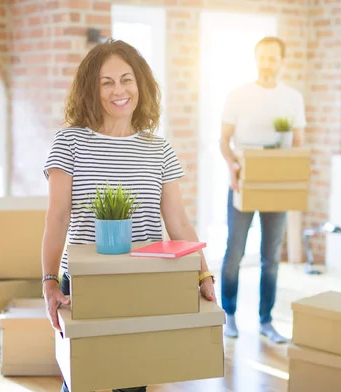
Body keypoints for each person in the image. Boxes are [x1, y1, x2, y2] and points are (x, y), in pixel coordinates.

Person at [41, 38, 217, 392]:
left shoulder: (159, 149)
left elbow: (179, 222)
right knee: (83, 380)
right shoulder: (70, 142)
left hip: (144, 283)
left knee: (133, 383)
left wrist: (203, 273)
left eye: (126, 79)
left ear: (141, 84)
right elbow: (57, 217)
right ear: (92, 89)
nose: (118, 90)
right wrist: (48, 282)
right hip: (86, 286)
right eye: (106, 82)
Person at [218, 36, 307, 344]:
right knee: (235, 252)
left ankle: (266, 320)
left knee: (271, 256)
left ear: (282, 62)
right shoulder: (238, 95)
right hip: (243, 183)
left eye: (273, 58)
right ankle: (228, 315)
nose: (267, 63)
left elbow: (298, 144)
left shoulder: (292, 98)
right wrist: (233, 166)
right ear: (255, 59)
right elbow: (223, 140)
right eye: (263, 57)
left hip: (276, 187)